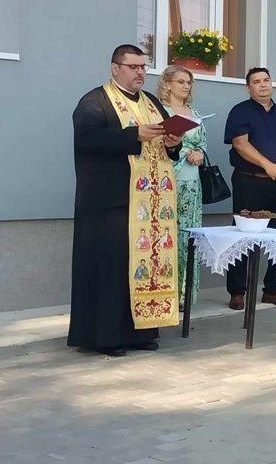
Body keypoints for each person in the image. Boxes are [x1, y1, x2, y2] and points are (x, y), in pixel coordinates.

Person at [67, 44, 183, 357]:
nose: (140, 73)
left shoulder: (151, 102)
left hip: (147, 206)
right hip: (108, 203)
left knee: (140, 268)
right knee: (111, 270)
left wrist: (172, 142)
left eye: (143, 67)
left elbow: (163, 142)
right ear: (115, 68)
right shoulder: (95, 101)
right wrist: (134, 135)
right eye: (133, 67)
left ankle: (139, 333)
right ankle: (105, 337)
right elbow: (88, 140)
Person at [224, 67, 276, 310]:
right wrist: (267, 165)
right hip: (249, 182)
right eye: (256, 81)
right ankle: (237, 291)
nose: (263, 84)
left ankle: (272, 289)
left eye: (266, 80)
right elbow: (240, 144)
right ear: (248, 87)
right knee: (242, 237)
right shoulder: (240, 111)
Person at [157, 65, 208, 308]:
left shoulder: (194, 111)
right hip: (168, 181)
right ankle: (164, 290)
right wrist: (186, 149)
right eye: (181, 82)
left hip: (192, 184)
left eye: (189, 82)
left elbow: (203, 141)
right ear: (167, 84)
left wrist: (199, 152)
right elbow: (156, 142)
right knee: (167, 234)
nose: (186, 86)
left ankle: (184, 293)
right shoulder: (160, 110)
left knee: (189, 235)